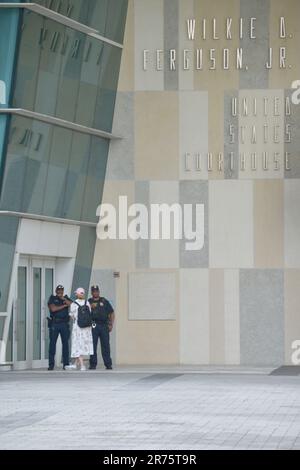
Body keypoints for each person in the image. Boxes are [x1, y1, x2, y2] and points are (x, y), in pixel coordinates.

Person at [65, 287, 94, 371]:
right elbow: (90, 314)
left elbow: (72, 316)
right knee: (83, 345)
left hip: (78, 328)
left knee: (78, 345)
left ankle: (82, 365)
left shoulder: (74, 304)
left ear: (77, 294)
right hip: (87, 328)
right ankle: (75, 364)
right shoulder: (87, 303)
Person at [88, 285, 115, 370]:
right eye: (94, 291)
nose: (95, 292)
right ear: (91, 292)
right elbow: (84, 314)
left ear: (99, 292)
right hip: (94, 324)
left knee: (106, 345)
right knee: (92, 345)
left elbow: (112, 313)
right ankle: (93, 364)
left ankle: (108, 364)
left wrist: (111, 324)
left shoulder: (104, 301)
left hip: (104, 325)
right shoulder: (89, 302)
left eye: (97, 291)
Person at [47, 285, 72, 371]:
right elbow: (53, 309)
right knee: (52, 344)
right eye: (58, 290)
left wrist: (64, 299)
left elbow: (72, 305)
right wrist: (64, 306)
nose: (60, 292)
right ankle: (51, 365)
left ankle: (66, 364)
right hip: (55, 323)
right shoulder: (52, 298)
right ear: (56, 291)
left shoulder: (65, 298)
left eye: (61, 290)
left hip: (64, 324)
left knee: (65, 345)